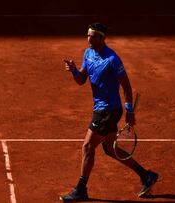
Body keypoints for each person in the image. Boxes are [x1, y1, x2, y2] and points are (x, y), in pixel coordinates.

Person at [60, 23, 158, 201]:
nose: (89, 39)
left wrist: (130, 111)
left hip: (109, 110)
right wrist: (74, 70)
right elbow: (82, 80)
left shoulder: (112, 59)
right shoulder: (88, 53)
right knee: (111, 149)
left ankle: (81, 189)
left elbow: (127, 87)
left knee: (88, 146)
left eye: (93, 36)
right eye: (88, 35)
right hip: (100, 109)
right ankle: (146, 175)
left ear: (102, 38)